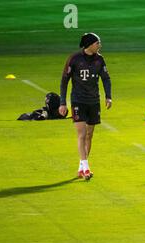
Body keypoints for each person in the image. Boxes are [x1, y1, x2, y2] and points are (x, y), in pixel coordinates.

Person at [59, 33, 112, 180]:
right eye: (97, 43)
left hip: (93, 101)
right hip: (78, 101)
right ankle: (86, 168)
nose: (99, 45)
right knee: (81, 134)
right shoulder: (74, 59)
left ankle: (81, 166)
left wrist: (108, 96)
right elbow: (64, 81)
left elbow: (106, 78)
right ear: (89, 44)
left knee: (89, 135)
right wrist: (62, 102)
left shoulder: (100, 59)